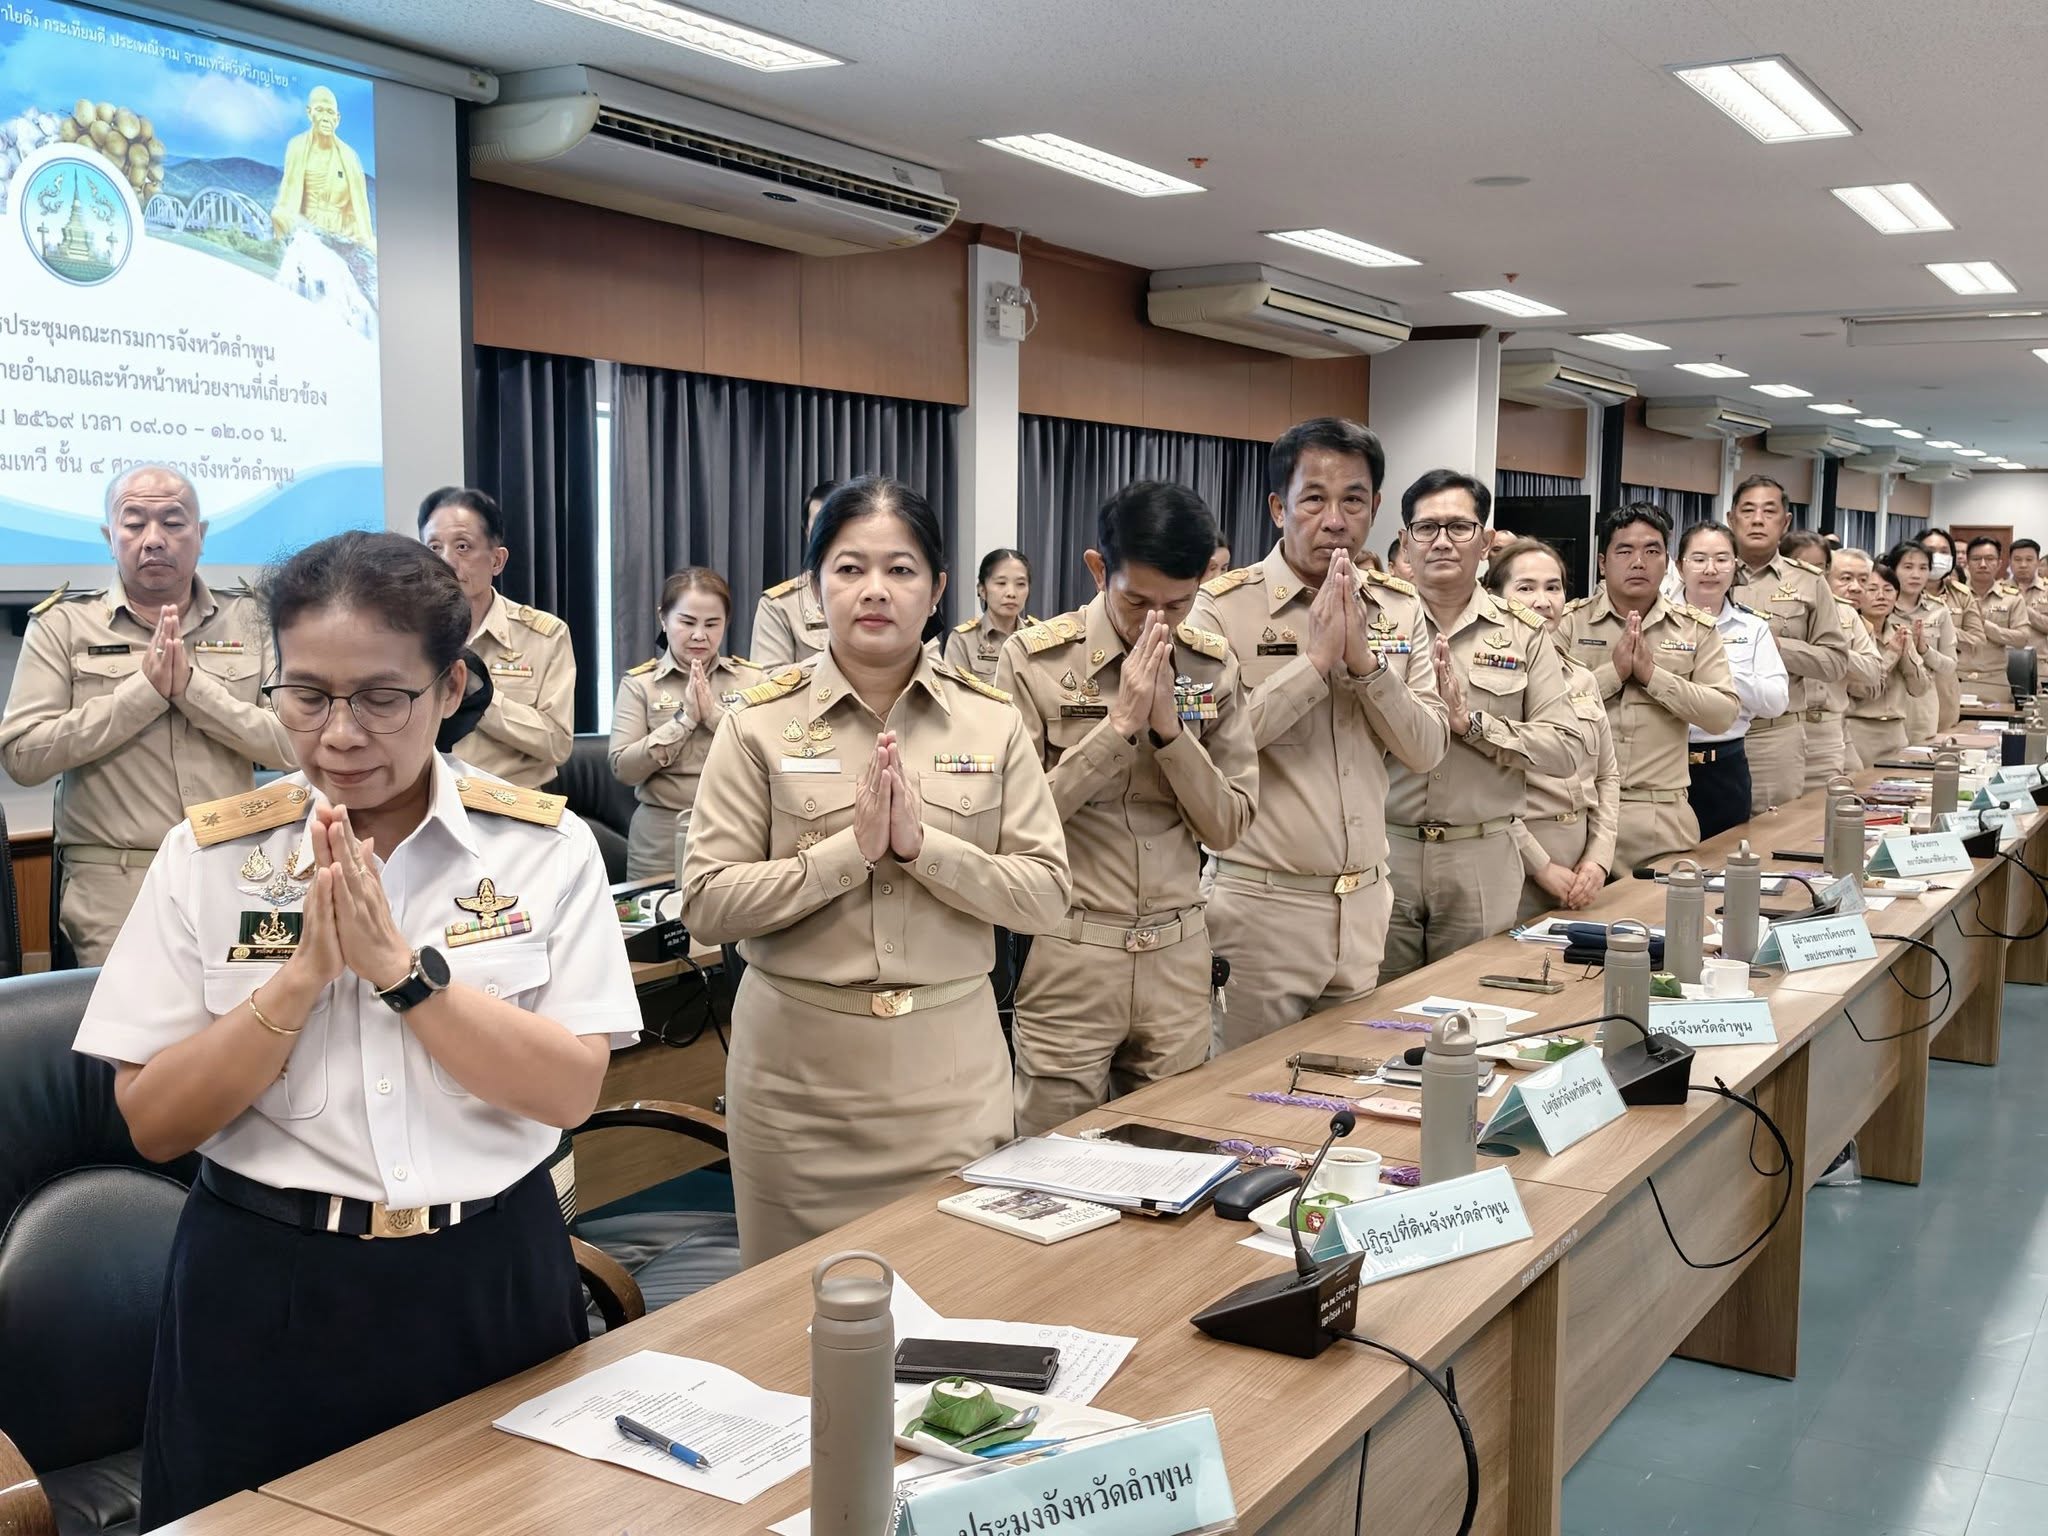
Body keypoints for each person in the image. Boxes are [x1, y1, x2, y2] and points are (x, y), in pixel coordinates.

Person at [73, 531, 636, 1528]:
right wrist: (298, 983)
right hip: (267, 1288)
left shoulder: (542, 852)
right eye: (307, 696)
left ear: (450, 687)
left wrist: (402, 976)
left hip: (489, 1276)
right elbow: (154, 1124)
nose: (339, 735)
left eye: (381, 698)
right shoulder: (206, 859)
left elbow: (569, 1092)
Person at [682, 477, 1069, 1263]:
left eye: (900, 569)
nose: (875, 590)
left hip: (951, 1088)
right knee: (789, 1315)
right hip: (796, 1095)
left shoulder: (991, 722)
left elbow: (1046, 896)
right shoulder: (757, 723)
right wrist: (845, 855)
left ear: (938, 589)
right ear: (813, 586)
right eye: (850, 568)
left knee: (958, 1300)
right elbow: (707, 904)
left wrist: (928, 851)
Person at [998, 481, 1256, 1136]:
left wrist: (1170, 733)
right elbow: (1012, 824)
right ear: (1098, 569)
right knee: (1052, 1159)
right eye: (1137, 601)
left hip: (1178, 957)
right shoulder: (1033, 661)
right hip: (1072, 954)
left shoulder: (1212, 666)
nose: (1155, 623)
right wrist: (1116, 730)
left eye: (1178, 603)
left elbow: (1229, 823)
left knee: (1173, 1155)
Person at [1190, 418, 1447, 1049]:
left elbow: (1426, 749)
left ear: (1375, 509)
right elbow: (1205, 748)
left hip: (1364, 903)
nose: (1335, 520)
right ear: (1279, 508)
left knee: (1347, 1085)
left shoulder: (1399, 607)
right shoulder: (1221, 607)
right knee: (1242, 1091)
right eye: (1313, 500)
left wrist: (1366, 666)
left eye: (1353, 501)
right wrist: (1313, 665)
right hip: (1260, 906)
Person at [0, 465, 295, 963]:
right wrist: (144, 694)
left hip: (238, 869)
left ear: (200, 534)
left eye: (173, 523)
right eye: (134, 523)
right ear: (109, 537)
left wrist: (193, 691)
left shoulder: (252, 619)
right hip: (116, 882)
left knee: (254, 1009)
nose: (154, 539)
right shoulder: (63, 624)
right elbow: (23, 756)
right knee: (130, 1017)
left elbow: (293, 744)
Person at [1383, 470, 1587, 980]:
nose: (1442, 541)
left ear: (1486, 541)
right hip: (1386, 850)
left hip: (1481, 853)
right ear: (1406, 542)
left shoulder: (1523, 632)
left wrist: (1473, 726)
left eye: (1459, 527)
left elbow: (1565, 748)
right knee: (1374, 1006)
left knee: (1467, 1000)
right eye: (1426, 528)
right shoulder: (1372, 621)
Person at [1559, 504, 1737, 869]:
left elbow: (1722, 715)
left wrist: (1654, 677)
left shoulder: (1695, 629)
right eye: (1625, 551)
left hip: (1660, 816)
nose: (1638, 562)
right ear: (1602, 563)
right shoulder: (1569, 624)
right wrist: (1613, 674)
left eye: (1652, 551)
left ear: (1667, 562)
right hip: (1577, 810)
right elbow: (1544, 710)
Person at [1490, 539, 1619, 919]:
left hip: (1582, 870)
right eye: (1525, 588)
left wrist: (1598, 859)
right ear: (1495, 598)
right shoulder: (1487, 683)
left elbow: (1607, 775)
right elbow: (1480, 791)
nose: (1543, 601)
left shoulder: (1581, 678)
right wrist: (1540, 866)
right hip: (1515, 863)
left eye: (1553, 587)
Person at [608, 569, 765, 879]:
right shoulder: (641, 685)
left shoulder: (752, 679)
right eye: (687, 622)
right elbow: (623, 769)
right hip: (660, 839)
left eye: (712, 624)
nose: (699, 635)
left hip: (735, 830)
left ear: (726, 623)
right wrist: (685, 720)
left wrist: (714, 717)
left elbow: (767, 757)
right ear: (663, 618)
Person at [418, 488, 575, 788]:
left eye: (462, 546)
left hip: (514, 803)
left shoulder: (543, 635)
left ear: (497, 560)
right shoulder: (408, 636)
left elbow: (557, 744)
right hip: (427, 800)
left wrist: (481, 697)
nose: (447, 561)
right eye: (434, 547)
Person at [1725, 477, 1850, 810]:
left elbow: (1835, 662)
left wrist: (1776, 647)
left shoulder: (1809, 581)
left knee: (1771, 832)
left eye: (1769, 511)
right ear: (1731, 519)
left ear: (1785, 522)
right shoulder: (1706, 573)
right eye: (1748, 510)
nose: (1757, 520)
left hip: (1772, 737)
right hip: (1706, 734)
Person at [1676, 523, 1787, 838]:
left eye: (1722, 559)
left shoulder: (1752, 628)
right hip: (1663, 764)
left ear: (1735, 566)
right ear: (1680, 566)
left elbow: (1776, 702)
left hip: (1725, 766)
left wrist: (1720, 668)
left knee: (1724, 857)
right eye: (1699, 559)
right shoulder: (1655, 622)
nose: (1710, 569)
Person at [1788, 534, 1885, 780]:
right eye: (1846, 578)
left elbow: (1873, 672)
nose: (1855, 587)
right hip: (1784, 725)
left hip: (1829, 726)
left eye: (1863, 580)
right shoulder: (1772, 611)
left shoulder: (1846, 613)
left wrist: (1832, 652)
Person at [271, 85, 375, 249]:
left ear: (338, 118)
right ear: (309, 112)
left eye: (330, 112)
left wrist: (364, 240)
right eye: (320, 110)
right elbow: (288, 196)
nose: (326, 118)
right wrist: (283, 217)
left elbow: (360, 210)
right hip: (306, 231)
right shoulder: (297, 146)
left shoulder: (349, 157)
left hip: (339, 237)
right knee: (278, 215)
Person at [1846, 562, 1930, 765]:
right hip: (1858, 730)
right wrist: (1891, 655)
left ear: (1897, 596)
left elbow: (1920, 688)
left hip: (1896, 731)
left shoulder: (1900, 633)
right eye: (1872, 589)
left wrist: (1906, 652)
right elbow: (1859, 689)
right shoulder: (1850, 635)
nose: (1881, 596)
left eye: (1888, 590)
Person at [750, 479, 841, 666]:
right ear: (807, 532)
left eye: (840, 524)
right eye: (821, 525)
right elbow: (767, 679)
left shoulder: (882, 595)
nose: (831, 534)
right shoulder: (779, 605)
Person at [1887, 540, 1955, 743]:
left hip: (1922, 706)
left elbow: (1950, 666)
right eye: (1908, 567)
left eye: (1923, 568)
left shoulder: (1938, 610)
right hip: (1885, 702)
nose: (1916, 575)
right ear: (1893, 569)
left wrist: (1925, 650)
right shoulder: (1880, 606)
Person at [1918, 528, 1985, 728]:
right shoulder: (1897, 591)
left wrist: (1944, 629)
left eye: (1944, 551)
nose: (1937, 556)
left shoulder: (1961, 594)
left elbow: (1977, 643)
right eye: (1930, 550)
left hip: (1944, 684)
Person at [943, 548, 1037, 683]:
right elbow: (954, 691)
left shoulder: (1038, 637)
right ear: (982, 590)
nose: (1011, 593)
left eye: (1020, 584)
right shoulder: (963, 640)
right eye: (1001, 583)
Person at [1960, 535, 2028, 706]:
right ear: (1967, 563)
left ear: (1999, 564)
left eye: (1989, 559)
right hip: (1956, 680)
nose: (1983, 564)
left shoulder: (2012, 598)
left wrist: (1984, 625)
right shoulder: (1954, 596)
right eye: (1976, 559)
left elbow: (2022, 639)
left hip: (1994, 682)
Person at [2007, 538, 2048, 667]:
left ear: (2037, 562)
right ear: (2010, 562)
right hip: (2003, 663)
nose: (2023, 565)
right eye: (2017, 560)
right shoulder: (1998, 590)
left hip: (2041, 663)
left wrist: (2022, 607)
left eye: (2029, 560)